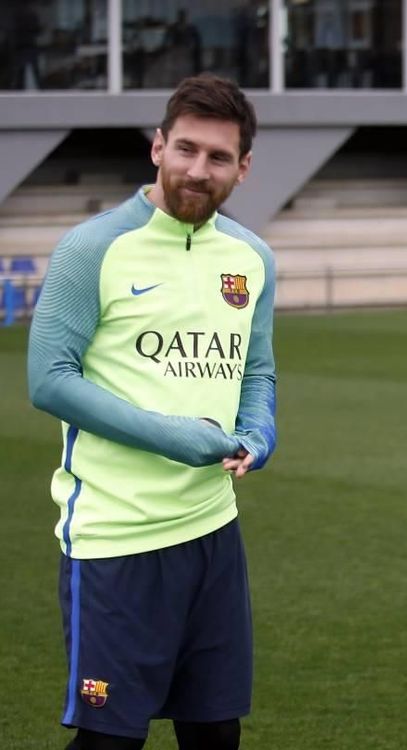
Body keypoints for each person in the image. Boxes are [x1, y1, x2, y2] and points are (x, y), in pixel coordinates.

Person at [27, 74, 276, 750]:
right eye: (186, 150)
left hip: (213, 535)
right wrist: (175, 437)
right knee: (110, 741)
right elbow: (47, 379)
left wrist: (261, 429)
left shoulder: (251, 258)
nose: (199, 170)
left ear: (243, 167)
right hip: (116, 540)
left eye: (219, 157)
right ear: (158, 147)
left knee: (214, 734)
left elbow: (256, 369)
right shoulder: (93, 247)